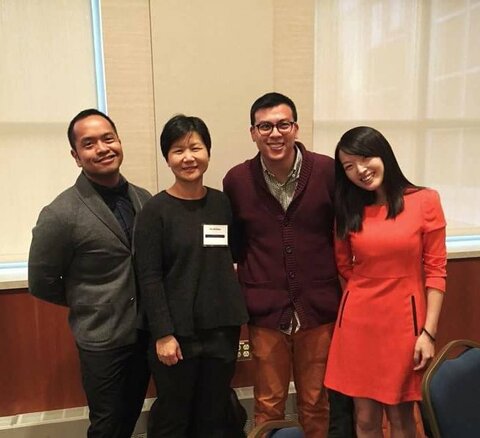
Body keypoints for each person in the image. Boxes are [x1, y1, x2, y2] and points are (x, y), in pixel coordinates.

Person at [223, 92, 342, 437]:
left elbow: (340, 230)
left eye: (282, 125)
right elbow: (238, 243)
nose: (275, 134)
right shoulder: (237, 180)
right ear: (253, 132)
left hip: (317, 308)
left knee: (316, 400)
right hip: (266, 311)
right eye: (265, 126)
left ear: (295, 128)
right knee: (268, 402)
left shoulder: (327, 171)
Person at [28, 109, 151, 438]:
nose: (102, 148)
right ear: (76, 156)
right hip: (102, 340)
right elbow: (42, 282)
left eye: (108, 138)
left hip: (144, 332)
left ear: (119, 141)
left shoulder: (144, 199)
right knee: (108, 425)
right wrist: (90, 302)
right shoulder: (60, 213)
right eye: (89, 143)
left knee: (130, 416)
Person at [324, 126, 447, 437]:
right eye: (348, 167)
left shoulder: (425, 201)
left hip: (404, 322)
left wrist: (428, 333)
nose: (359, 171)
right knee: (364, 417)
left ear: (383, 154)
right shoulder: (349, 209)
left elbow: (435, 271)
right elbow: (343, 263)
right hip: (358, 322)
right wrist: (369, 288)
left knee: (401, 415)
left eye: (364, 159)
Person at [134, 114, 248, 438]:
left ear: (208, 152)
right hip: (176, 336)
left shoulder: (222, 203)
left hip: (221, 331)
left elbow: (234, 253)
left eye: (195, 147)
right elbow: (149, 276)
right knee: (174, 418)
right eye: (177, 150)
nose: (188, 157)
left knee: (215, 417)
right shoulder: (154, 211)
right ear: (167, 159)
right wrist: (163, 333)